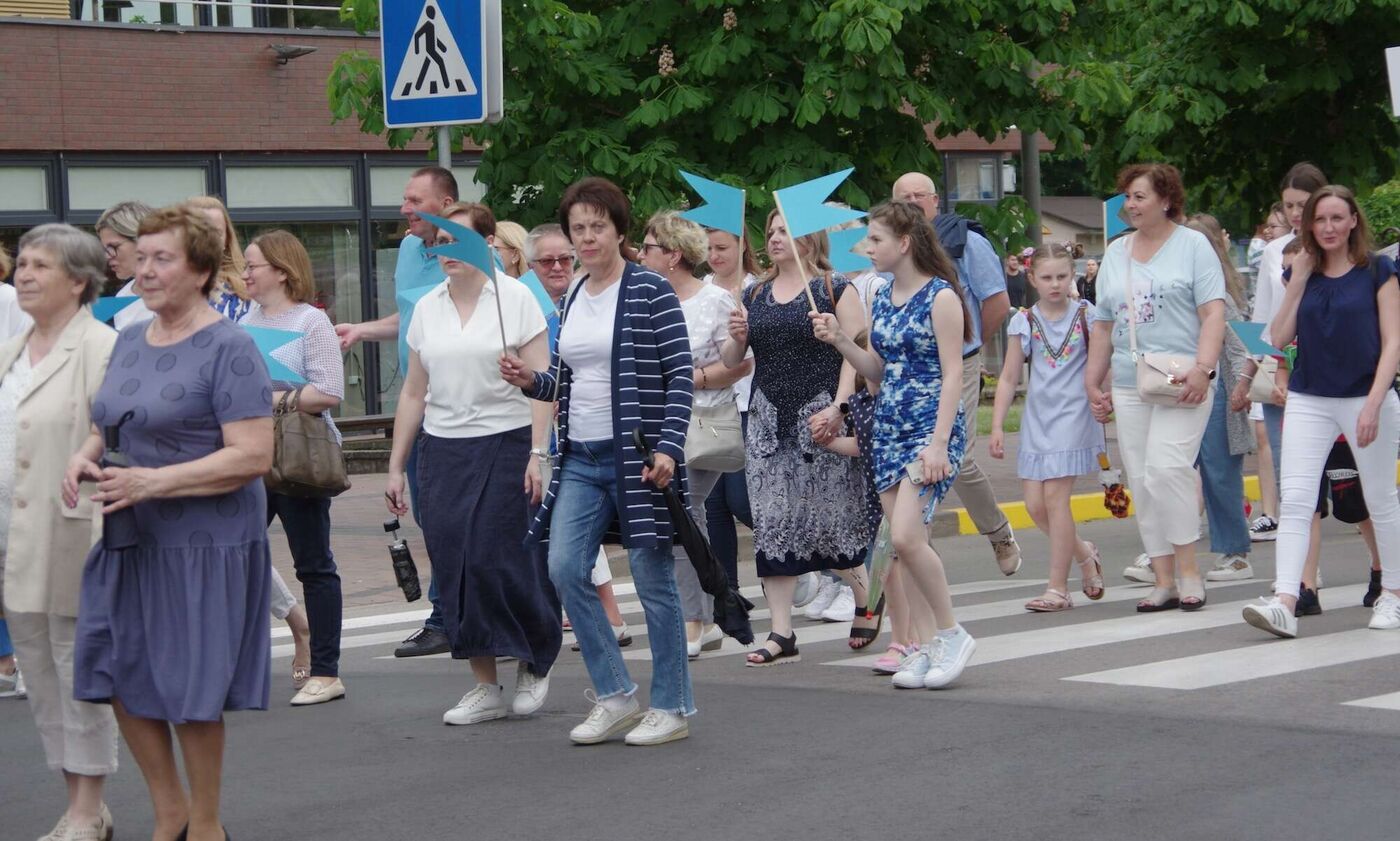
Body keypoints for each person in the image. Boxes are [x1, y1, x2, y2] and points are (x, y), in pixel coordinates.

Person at [67, 204, 274, 841]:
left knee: (190, 685)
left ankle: (205, 825)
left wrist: (152, 482)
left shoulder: (231, 347)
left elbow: (252, 455)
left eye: (163, 259)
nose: (145, 270)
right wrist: (85, 454)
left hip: (203, 541)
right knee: (118, 667)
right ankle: (170, 812)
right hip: (130, 532)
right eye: (142, 257)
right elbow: (109, 420)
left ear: (202, 270)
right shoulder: (130, 338)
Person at [500, 177, 695, 746]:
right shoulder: (573, 294)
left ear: (618, 230)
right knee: (564, 567)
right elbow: (565, 380)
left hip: (638, 455)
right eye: (577, 228)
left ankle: (672, 706)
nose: (586, 238)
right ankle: (615, 696)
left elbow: (681, 374)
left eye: (597, 227)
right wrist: (529, 380)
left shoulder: (649, 289)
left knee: (653, 580)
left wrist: (669, 446)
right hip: (580, 456)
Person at [388, 201, 561, 725]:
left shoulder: (517, 299)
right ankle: (484, 683)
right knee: (455, 562)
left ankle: (534, 659)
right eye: (439, 242)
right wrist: (396, 465)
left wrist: (538, 453)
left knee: (501, 558)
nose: (446, 251)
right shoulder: (427, 307)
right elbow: (413, 392)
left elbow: (544, 384)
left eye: (457, 240)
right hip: (443, 448)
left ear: (486, 244)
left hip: (507, 441)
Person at [812, 200, 977, 688]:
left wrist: (939, 444)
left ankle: (951, 633)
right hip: (887, 429)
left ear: (904, 243)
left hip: (929, 430)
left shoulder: (941, 297)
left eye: (876, 239)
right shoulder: (882, 296)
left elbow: (952, 375)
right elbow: (878, 372)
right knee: (904, 549)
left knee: (905, 536)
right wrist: (841, 340)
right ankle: (925, 646)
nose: (867, 247)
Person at [2, 224, 119, 841]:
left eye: (39, 265)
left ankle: (88, 806)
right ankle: (76, 801)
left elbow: (112, 434)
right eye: (21, 263)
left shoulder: (101, 346)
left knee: (78, 670)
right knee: (38, 673)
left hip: (72, 529)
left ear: (78, 281)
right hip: (12, 534)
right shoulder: (12, 348)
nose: (23, 274)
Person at [1242, 186, 1400, 638]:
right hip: (1310, 397)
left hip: (1366, 396)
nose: (1328, 227)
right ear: (1309, 225)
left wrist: (1374, 403)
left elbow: (1393, 341)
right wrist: (1296, 282)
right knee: (1295, 499)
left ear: (1353, 221)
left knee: (1379, 497)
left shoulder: (1378, 270)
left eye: (1337, 218)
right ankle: (1285, 601)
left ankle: (1393, 593)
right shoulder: (1302, 270)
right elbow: (1276, 339)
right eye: (1320, 219)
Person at [720, 208, 877, 665]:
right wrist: (736, 336)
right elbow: (732, 360)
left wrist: (840, 408)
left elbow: (855, 352)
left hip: (820, 414)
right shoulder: (756, 292)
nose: (773, 238)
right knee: (772, 523)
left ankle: (867, 597)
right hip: (768, 420)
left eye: (784, 231)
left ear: (809, 239)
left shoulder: (835, 288)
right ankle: (781, 631)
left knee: (832, 518)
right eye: (770, 231)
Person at [1084, 162, 1226, 613]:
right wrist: (1093, 381)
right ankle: (1164, 580)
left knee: (1168, 468)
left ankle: (1190, 572)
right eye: (1127, 196)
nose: (1130, 204)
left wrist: (1204, 368)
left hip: (1183, 377)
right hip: (1131, 382)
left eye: (1140, 196)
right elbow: (1103, 325)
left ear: (1166, 200)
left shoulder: (1193, 246)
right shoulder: (1117, 252)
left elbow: (1213, 313)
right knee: (1144, 481)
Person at [335, 166, 458, 658]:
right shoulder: (408, 249)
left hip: (459, 409)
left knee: (450, 519)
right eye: (404, 199)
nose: (404, 209)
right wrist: (362, 330)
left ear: (446, 205)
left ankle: (450, 617)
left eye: (415, 201)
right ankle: (453, 614)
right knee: (430, 518)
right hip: (417, 405)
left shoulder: (471, 255)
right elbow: (410, 318)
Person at [239, 229, 348, 707]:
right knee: (235, 552)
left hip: (299, 454)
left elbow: (330, 391)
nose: (245, 274)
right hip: (249, 452)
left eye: (252, 266)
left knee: (313, 563)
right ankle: (236, 663)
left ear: (281, 272)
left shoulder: (311, 321)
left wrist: (270, 399)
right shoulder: (245, 320)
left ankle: (326, 671)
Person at [892, 173, 1021, 574]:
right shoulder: (888, 247)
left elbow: (997, 302)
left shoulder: (966, 241)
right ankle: (921, 555)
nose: (913, 201)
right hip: (909, 368)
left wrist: (970, 343)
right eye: (904, 197)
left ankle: (998, 532)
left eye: (920, 195)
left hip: (959, 362)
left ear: (935, 201)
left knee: (956, 458)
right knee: (911, 462)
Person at [639, 211, 753, 658]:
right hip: (658, 422)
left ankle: (696, 617)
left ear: (673, 255)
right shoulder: (645, 297)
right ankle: (706, 611)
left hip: (703, 421)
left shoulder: (715, 300)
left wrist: (695, 376)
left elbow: (737, 363)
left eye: (648, 247)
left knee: (682, 510)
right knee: (684, 514)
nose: (640, 254)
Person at [526, 223, 632, 647]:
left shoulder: (584, 298)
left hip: (590, 440)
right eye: (546, 261)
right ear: (531, 265)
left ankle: (609, 617)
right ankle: (599, 621)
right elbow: (549, 378)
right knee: (566, 547)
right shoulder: (534, 306)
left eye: (563, 259)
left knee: (584, 538)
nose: (557, 267)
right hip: (552, 436)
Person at [988, 243, 1105, 611]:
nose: (1055, 284)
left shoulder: (1088, 315)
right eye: (1047, 277)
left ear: (1072, 276)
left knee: (1056, 501)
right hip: (1037, 419)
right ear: (1032, 278)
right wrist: (996, 426)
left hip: (1074, 416)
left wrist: (1106, 397)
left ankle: (1058, 588)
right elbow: (1009, 377)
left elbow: (1104, 363)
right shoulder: (1024, 321)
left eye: (1062, 276)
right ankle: (1085, 554)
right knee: (1035, 506)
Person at [1185, 214, 1256, 584]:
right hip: (1180, 387)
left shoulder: (1219, 296)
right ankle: (1164, 549)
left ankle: (1236, 553)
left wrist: (1242, 386)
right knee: (1173, 471)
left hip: (1218, 390)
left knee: (1218, 472)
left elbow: (1241, 348)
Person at [701, 227, 758, 592]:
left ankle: (797, 557)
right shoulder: (702, 289)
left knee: (741, 500)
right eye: (708, 248)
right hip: (710, 406)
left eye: (722, 247)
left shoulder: (757, 288)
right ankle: (728, 594)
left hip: (749, 403)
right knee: (714, 506)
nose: (714, 255)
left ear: (742, 246)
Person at [186, 196, 252, 322]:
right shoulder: (159, 288)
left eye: (216, 233)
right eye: (199, 232)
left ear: (227, 239)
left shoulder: (246, 291)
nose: (208, 240)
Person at [95, 200, 155, 329]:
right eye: (105, 249)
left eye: (114, 246)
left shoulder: (181, 295)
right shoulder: (123, 295)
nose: (107, 256)